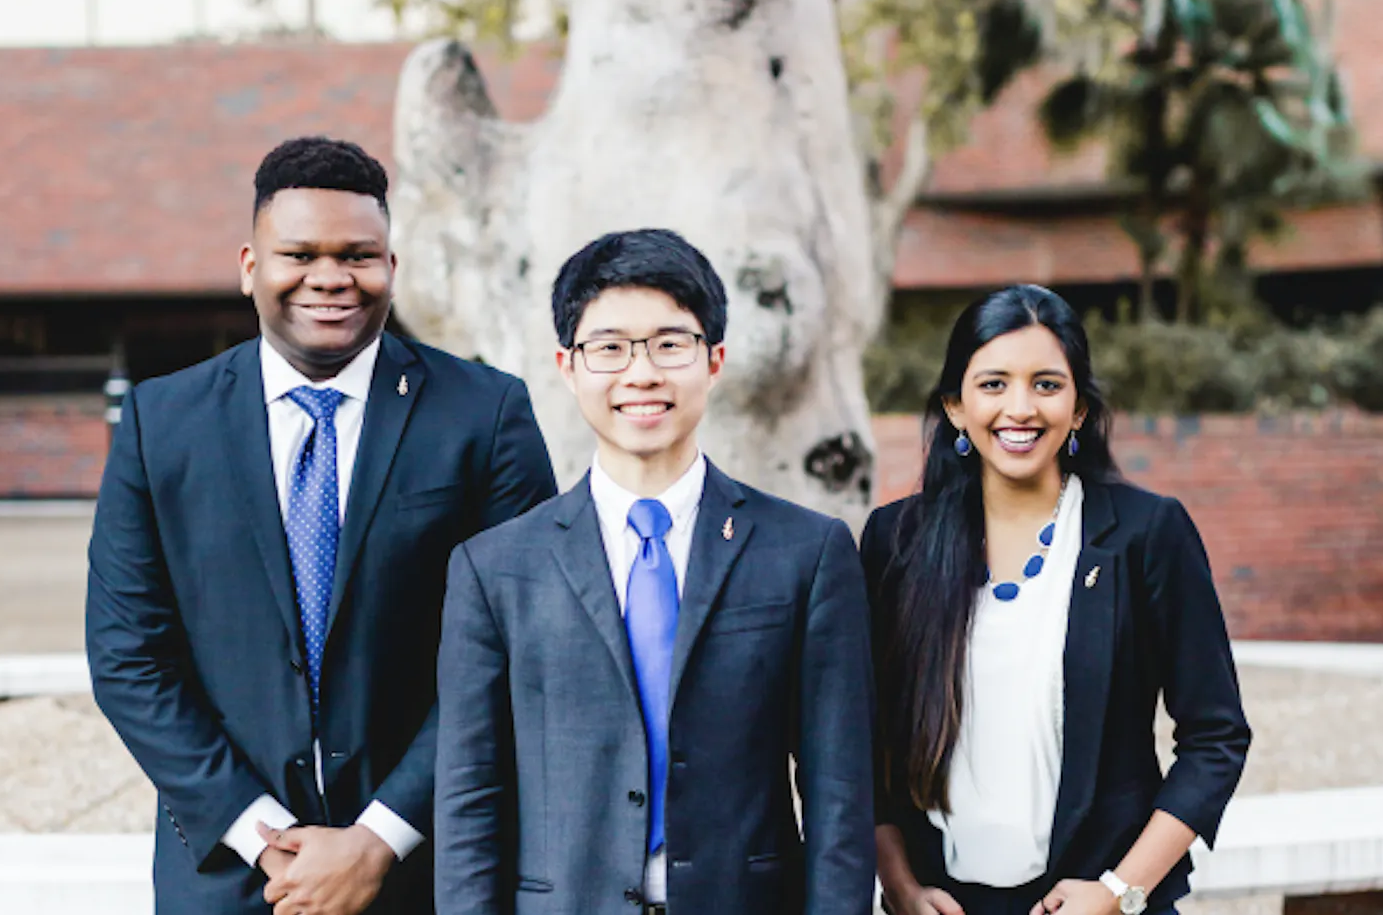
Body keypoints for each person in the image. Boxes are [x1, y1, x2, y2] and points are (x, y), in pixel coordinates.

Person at [86, 136, 558, 915]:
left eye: (359, 255)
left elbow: (521, 642)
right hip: (229, 873)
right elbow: (127, 654)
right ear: (250, 266)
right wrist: (265, 836)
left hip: (431, 867)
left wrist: (379, 836)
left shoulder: (486, 414)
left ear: (392, 268)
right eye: (299, 253)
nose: (331, 277)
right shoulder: (158, 423)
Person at [432, 228, 876, 915]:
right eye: (609, 347)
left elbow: (839, 792)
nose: (641, 373)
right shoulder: (495, 569)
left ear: (715, 359)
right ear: (568, 364)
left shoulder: (806, 552)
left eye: (670, 344)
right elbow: (470, 798)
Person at [861, 285, 1250, 915]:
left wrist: (1120, 891)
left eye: (1046, 384)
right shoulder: (895, 541)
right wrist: (900, 884)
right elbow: (862, 739)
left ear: (1079, 411)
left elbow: (1215, 737)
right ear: (955, 408)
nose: (1020, 408)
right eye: (993, 385)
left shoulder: (1146, 534)